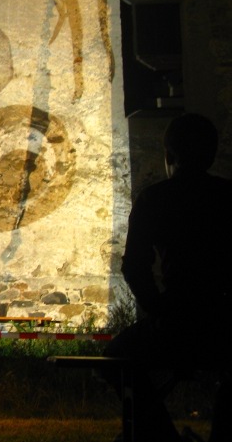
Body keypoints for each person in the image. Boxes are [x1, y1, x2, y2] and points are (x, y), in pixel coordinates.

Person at [105, 113, 231, 441]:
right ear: (211, 155)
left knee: (115, 358)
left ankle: (161, 436)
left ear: (169, 156)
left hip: (177, 319)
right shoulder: (226, 197)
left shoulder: (155, 199)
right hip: (223, 319)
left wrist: (159, 310)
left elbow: (135, 266)